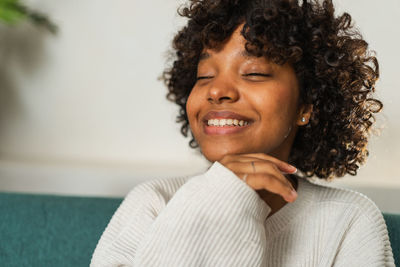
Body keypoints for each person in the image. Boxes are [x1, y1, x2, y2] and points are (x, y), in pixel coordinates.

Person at [90, 0, 395, 266]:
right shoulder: (153, 203)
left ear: (306, 105)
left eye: (254, 73)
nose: (217, 90)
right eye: (204, 76)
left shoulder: (349, 221)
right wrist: (222, 195)